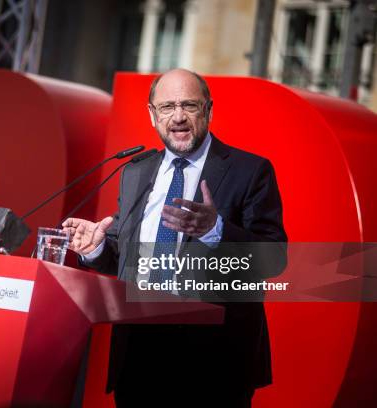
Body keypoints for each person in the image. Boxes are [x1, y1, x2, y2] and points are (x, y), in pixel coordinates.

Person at [62, 69, 287, 407]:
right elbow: (128, 258)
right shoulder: (136, 171)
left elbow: (274, 258)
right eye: (167, 107)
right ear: (152, 115)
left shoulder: (249, 170)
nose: (178, 117)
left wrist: (216, 230)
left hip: (215, 359)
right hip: (139, 351)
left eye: (189, 106)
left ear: (208, 110)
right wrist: (96, 250)